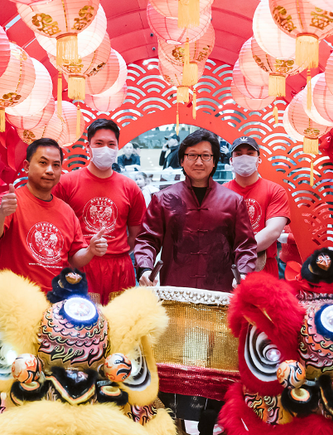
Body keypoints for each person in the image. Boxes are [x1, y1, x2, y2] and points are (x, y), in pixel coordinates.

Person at [135, 129, 256, 291]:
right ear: (182, 161)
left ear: (214, 161)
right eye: (192, 155)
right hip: (174, 289)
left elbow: (245, 244)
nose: (199, 162)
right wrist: (145, 268)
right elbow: (147, 240)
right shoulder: (163, 199)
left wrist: (244, 272)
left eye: (205, 156)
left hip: (220, 289)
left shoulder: (233, 201)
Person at [0, 138, 108, 291]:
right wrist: (1, 212)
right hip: (15, 300)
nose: (50, 170)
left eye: (56, 165)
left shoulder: (67, 211)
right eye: (43, 163)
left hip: (55, 300)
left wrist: (90, 251)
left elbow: (75, 259)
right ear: (27, 167)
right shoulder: (10, 202)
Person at [53, 119, 146, 303]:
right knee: (81, 326)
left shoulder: (131, 188)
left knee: (121, 325)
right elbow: (57, 230)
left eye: (111, 144)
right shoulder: (66, 184)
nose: (106, 148)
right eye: (99, 143)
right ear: (89, 147)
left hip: (120, 269)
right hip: (81, 267)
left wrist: (115, 250)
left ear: (118, 147)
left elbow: (136, 235)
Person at [223, 136, 290, 276]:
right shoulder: (220, 193)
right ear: (231, 161)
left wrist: (239, 251)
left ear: (259, 159)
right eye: (239, 154)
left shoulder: (275, 191)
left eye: (250, 153)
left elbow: (273, 231)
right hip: (228, 267)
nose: (244, 157)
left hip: (264, 266)